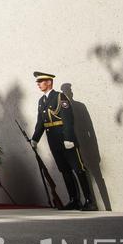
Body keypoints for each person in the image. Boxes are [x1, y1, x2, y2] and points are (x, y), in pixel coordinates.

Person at [30, 71, 98, 211]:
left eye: (41, 81)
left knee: (78, 169)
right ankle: (74, 200)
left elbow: (67, 119)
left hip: (65, 139)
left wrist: (68, 138)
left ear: (49, 82)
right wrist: (35, 138)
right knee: (65, 170)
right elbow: (40, 122)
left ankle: (90, 201)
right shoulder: (41, 101)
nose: (38, 84)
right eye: (38, 82)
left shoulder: (60, 97)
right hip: (53, 141)